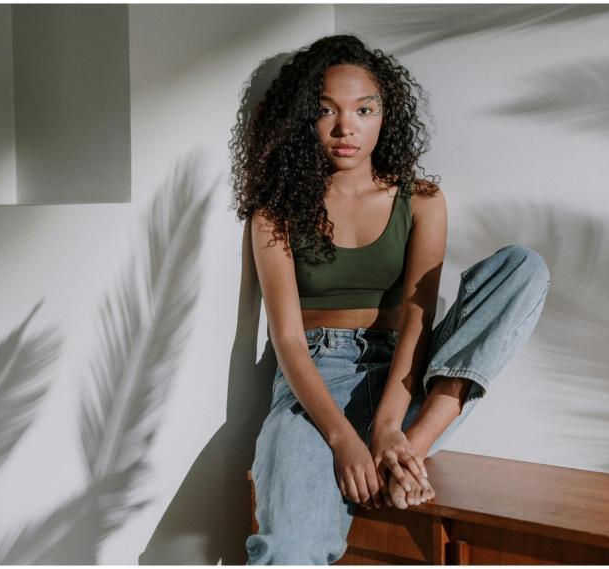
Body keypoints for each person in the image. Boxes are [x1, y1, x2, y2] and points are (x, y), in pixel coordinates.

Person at [228, 34, 550, 565]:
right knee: (286, 549)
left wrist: (388, 429)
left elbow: (419, 319)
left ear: (385, 116)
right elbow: (286, 338)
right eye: (326, 110)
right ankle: (396, 466)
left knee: (522, 266)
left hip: (411, 378)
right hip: (314, 387)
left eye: (364, 109)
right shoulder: (276, 212)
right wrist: (343, 440)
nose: (346, 128)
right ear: (302, 119)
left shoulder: (421, 200)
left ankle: (406, 453)